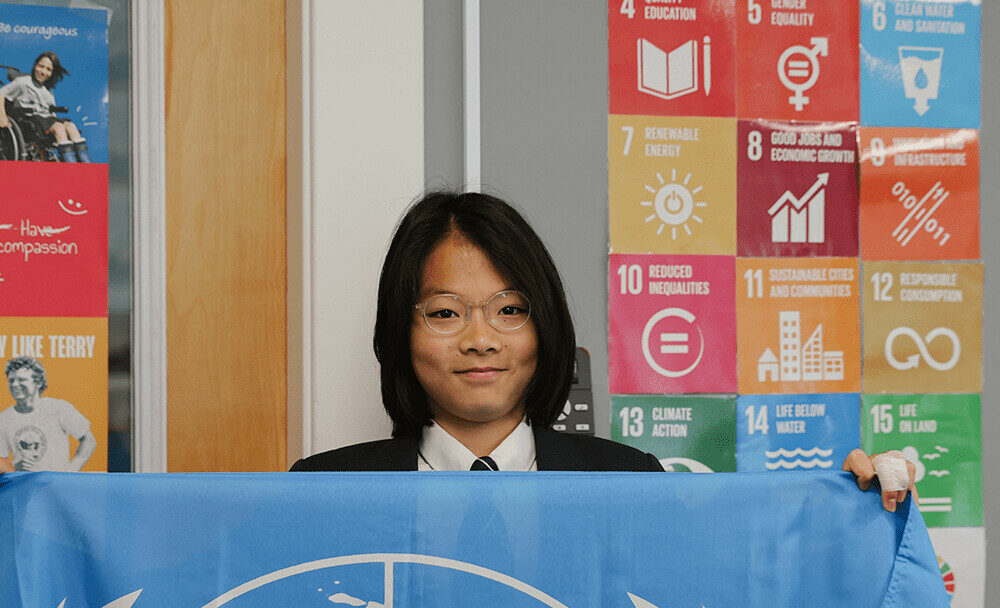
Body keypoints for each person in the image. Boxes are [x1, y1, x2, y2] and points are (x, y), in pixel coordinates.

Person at [292, 192, 915, 507]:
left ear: (547, 330)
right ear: (401, 333)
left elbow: (735, 602)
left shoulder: (629, 483)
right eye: (446, 313)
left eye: (510, 310)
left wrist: (853, 515)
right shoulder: (320, 494)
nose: (480, 338)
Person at [0, 355, 95, 471]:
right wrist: (15, 467)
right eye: (11, 380)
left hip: (57, 486)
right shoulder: (4, 418)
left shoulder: (59, 408)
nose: (14, 385)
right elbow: (2, 460)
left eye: (21, 380)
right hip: (25, 487)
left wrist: (70, 472)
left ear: (38, 383)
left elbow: (88, 441)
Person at [0, 51, 91, 162]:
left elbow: (50, 110)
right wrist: (2, 116)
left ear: (52, 73)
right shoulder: (22, 82)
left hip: (47, 119)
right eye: (41, 66)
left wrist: (56, 119)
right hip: (30, 119)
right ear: (35, 66)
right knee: (58, 128)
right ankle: (70, 165)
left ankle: (86, 164)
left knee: (71, 126)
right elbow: (1, 94)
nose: (43, 72)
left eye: (48, 69)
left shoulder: (47, 89)